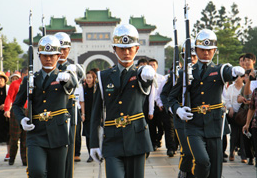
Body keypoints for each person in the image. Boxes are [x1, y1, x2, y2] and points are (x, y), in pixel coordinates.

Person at [168, 29, 245, 178]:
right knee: (202, 161)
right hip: (194, 126)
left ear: (215, 51)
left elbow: (227, 72)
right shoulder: (186, 72)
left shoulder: (219, 70)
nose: (206, 53)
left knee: (215, 171)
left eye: (210, 50)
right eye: (202, 49)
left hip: (214, 126)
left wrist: (234, 71)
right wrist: (178, 110)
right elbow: (171, 98)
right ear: (196, 50)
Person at [90, 24, 155, 178]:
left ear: (137, 49)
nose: (126, 52)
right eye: (121, 48)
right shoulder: (104, 76)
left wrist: (148, 74)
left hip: (136, 138)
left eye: (130, 48)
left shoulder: (141, 73)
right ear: (114, 49)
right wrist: (93, 143)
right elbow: (96, 112)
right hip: (112, 140)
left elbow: (146, 82)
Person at [13, 35, 77, 178]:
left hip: (58, 133)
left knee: (57, 174)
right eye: (45, 56)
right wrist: (22, 119)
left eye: (52, 55)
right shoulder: (30, 79)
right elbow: (16, 105)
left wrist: (68, 78)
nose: (48, 59)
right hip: (36, 133)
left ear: (59, 56)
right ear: (39, 56)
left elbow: (72, 83)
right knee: (37, 171)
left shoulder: (63, 76)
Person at [160, 39, 196, 178]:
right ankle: (184, 172)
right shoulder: (177, 75)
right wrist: (174, 109)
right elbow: (165, 95)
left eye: (194, 56)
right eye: (189, 56)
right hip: (181, 118)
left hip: (200, 118)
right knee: (187, 151)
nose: (192, 59)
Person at [55, 32, 84, 178]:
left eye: (64, 49)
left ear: (69, 50)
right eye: (58, 49)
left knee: (68, 151)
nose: (61, 52)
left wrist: (71, 74)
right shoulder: (49, 68)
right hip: (52, 114)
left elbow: (79, 76)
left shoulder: (74, 67)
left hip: (69, 113)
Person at [4, 68, 28, 166]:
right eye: (25, 75)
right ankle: (12, 157)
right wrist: (6, 109)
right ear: (22, 75)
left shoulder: (31, 84)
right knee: (14, 137)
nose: (27, 77)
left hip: (27, 111)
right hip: (17, 111)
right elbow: (9, 96)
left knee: (25, 138)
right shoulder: (15, 84)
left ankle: (25, 160)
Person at [224, 76, 246, 162]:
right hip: (233, 114)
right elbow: (227, 99)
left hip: (243, 115)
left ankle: (243, 156)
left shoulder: (245, 87)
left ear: (243, 78)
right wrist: (230, 108)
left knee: (243, 135)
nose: (236, 79)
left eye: (239, 77)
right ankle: (231, 152)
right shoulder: (231, 88)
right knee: (234, 134)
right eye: (235, 77)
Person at [81, 70, 96, 162]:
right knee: (88, 136)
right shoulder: (83, 88)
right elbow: (82, 102)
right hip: (87, 115)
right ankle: (90, 154)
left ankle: (97, 153)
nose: (89, 79)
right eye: (87, 77)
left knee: (95, 135)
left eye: (90, 77)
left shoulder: (96, 89)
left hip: (95, 114)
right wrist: (83, 114)